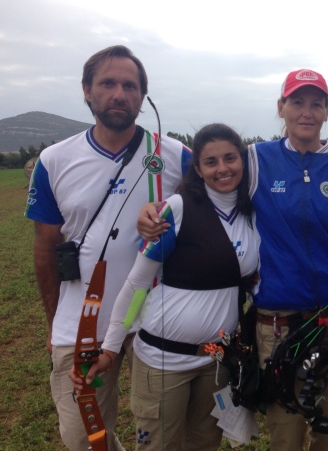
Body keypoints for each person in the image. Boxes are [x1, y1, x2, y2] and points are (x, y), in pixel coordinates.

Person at [138, 69, 328, 451]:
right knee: (285, 430)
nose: (306, 112)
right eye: (297, 102)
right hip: (276, 324)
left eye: (316, 103)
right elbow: (208, 179)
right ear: (282, 107)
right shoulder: (257, 159)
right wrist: (153, 210)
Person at [25, 45, 190, 451]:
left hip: (154, 320)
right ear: (87, 91)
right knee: (83, 437)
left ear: (143, 96)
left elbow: (214, 214)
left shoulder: (173, 155)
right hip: (82, 323)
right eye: (108, 83)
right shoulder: (54, 160)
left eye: (130, 85)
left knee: (162, 432)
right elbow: (46, 248)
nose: (120, 93)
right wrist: (53, 321)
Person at [72, 123, 259, 450]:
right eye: (211, 162)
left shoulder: (253, 214)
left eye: (230, 158)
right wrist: (111, 348)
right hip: (162, 361)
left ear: (243, 161)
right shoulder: (178, 208)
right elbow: (137, 286)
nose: (223, 169)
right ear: (197, 169)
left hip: (214, 361)